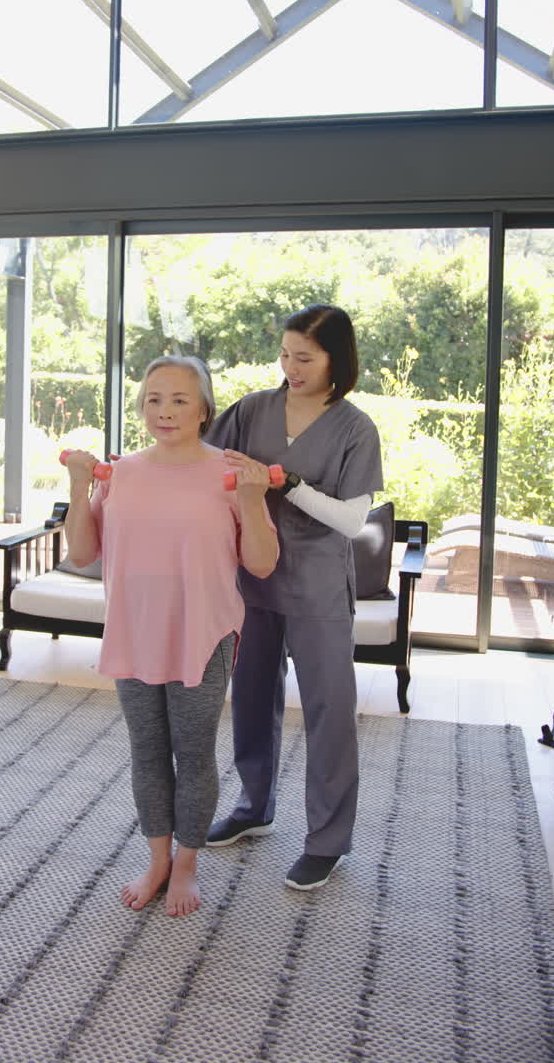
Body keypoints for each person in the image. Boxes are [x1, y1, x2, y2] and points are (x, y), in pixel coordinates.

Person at [61, 355, 278, 918]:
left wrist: (252, 499)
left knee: (194, 750)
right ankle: (157, 857)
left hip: (203, 635)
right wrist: (79, 484)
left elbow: (261, 563)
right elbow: (82, 552)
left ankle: (187, 863)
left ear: (204, 408)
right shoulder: (121, 472)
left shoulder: (228, 471)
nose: (165, 411)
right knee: (147, 752)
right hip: (134, 632)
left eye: (180, 399)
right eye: (154, 399)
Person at [205, 304, 383, 891]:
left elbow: (354, 520)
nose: (291, 366)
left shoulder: (355, 428)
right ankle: (255, 807)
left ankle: (327, 842)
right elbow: (203, 467)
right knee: (252, 697)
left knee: (329, 711)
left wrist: (291, 483)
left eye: (305, 357)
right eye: (285, 354)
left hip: (318, 586)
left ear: (337, 360)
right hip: (253, 579)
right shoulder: (253, 409)